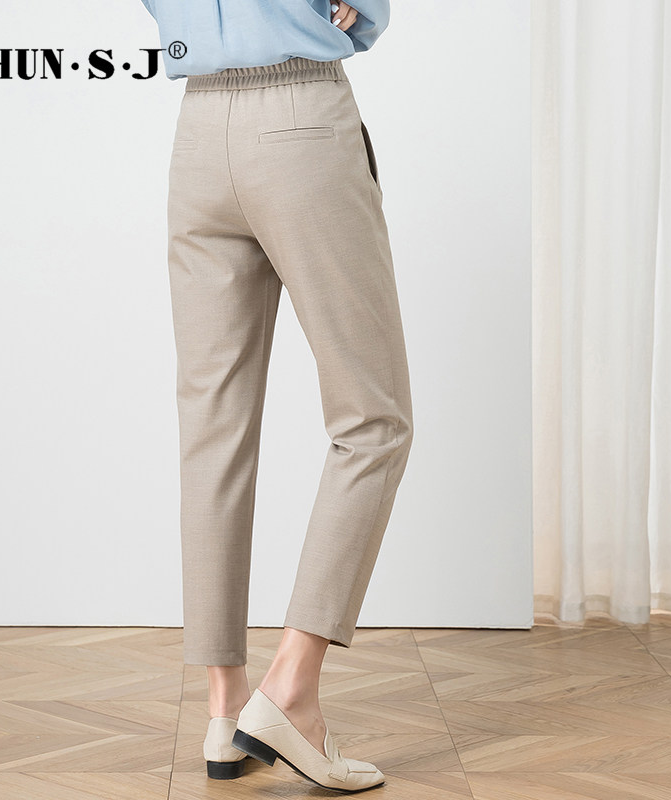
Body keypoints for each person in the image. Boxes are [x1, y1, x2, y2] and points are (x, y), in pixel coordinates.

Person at [139, 0, 414, 792]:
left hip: (198, 131)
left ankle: (225, 711)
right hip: (301, 120)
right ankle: (290, 690)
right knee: (373, 420)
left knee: (212, 429)